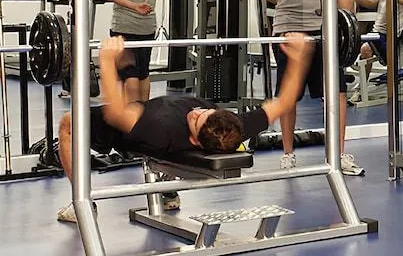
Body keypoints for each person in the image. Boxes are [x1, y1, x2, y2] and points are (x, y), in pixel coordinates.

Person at [56, 33, 314, 223]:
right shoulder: (231, 128)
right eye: (205, 111)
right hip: (145, 111)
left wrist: (106, 60)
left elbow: (116, 113)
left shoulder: (160, 129)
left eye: (196, 120)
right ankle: (168, 193)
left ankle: (82, 204)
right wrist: (299, 58)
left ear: (195, 141)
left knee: (68, 122)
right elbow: (285, 101)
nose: (196, 112)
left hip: (123, 125)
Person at [252, 0, 362, 175]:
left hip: (325, 30)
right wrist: (285, 4)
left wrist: (350, 27)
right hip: (290, 30)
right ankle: (288, 155)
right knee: (289, 96)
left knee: (337, 91)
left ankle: (338, 154)